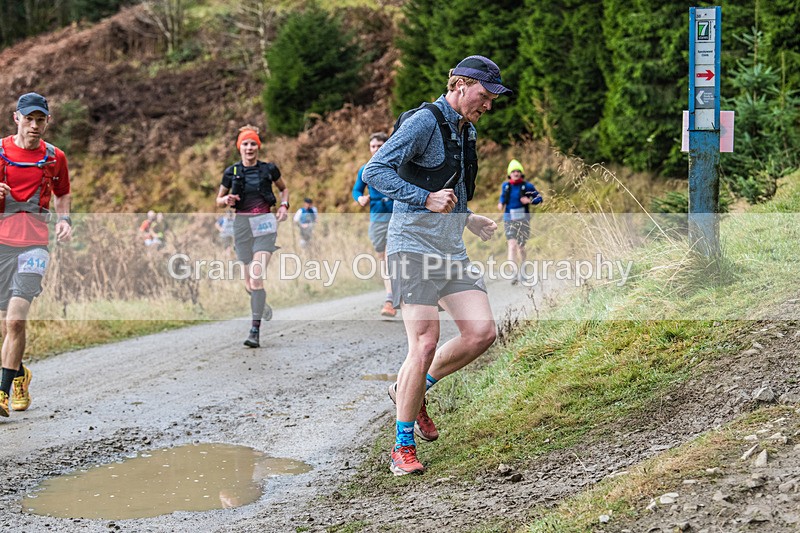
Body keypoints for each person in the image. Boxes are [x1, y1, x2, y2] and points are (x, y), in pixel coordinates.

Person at [363, 55, 511, 475]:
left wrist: (468, 218)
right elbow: (374, 170)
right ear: (460, 85)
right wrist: (422, 199)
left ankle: (409, 389)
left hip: (449, 250)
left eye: (491, 99)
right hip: (410, 246)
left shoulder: (467, 130)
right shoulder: (424, 121)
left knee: (482, 333)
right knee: (424, 343)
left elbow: (451, 190)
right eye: (484, 96)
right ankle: (401, 447)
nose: (487, 106)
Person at [0, 92, 72, 417]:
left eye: (40, 119)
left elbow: (63, 192)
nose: (34, 125)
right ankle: (19, 373)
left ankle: (0, 394)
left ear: (47, 121)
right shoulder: (0, 152)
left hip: (34, 245)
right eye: (28, 119)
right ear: (16, 118)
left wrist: (65, 220)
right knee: (4, 324)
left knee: (15, 319)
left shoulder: (56, 157)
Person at [216, 125, 289, 348]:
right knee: (249, 283)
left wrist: (284, 205)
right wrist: (225, 200)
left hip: (265, 224)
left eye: (253, 143)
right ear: (240, 147)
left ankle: (254, 330)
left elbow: (283, 189)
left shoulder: (269, 169)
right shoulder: (232, 172)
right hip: (242, 226)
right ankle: (261, 303)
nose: (249, 147)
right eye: (245, 144)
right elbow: (218, 200)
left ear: (258, 146)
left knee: (256, 277)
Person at [352, 132, 396, 317]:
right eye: (373, 146)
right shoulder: (365, 169)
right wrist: (360, 198)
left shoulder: (396, 166)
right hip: (377, 219)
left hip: (396, 217)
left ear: (387, 145)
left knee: (389, 256)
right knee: (383, 258)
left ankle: (390, 299)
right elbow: (356, 190)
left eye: (380, 145)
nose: (376, 149)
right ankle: (393, 294)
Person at [497, 159, 543, 284]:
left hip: (523, 220)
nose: (516, 173)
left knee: (521, 247)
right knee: (512, 246)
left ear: (521, 173)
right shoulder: (506, 187)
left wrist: (530, 201)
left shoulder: (527, 186)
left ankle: (523, 270)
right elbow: (502, 198)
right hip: (509, 220)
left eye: (518, 171)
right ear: (509, 174)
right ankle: (513, 274)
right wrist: (501, 204)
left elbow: (539, 198)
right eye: (513, 171)